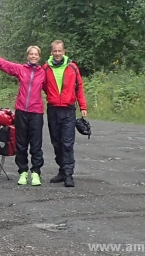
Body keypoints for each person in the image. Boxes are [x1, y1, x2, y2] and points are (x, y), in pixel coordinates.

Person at [0, 41, 46, 186]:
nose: (33, 56)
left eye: (36, 54)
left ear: (39, 57)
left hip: (36, 112)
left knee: (36, 145)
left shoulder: (44, 72)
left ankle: (36, 172)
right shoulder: (20, 69)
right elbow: (2, 63)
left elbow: (55, 87)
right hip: (21, 111)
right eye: (31, 54)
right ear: (27, 56)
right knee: (21, 143)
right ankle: (23, 172)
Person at [43, 40, 87, 188]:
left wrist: (83, 106)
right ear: (51, 52)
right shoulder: (46, 68)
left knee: (67, 143)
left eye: (59, 51)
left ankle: (68, 175)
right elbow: (42, 86)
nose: (57, 54)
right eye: (54, 51)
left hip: (68, 110)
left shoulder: (72, 67)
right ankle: (62, 171)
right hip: (53, 109)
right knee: (56, 142)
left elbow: (79, 87)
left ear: (64, 51)